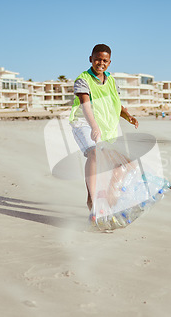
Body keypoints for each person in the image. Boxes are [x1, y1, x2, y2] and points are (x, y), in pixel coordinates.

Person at [69, 44, 139, 211]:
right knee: (94, 152)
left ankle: (111, 194)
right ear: (90, 59)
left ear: (109, 62)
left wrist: (127, 115)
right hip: (84, 123)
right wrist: (94, 126)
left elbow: (114, 103)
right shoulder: (83, 79)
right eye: (98, 59)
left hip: (105, 127)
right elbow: (86, 106)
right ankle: (91, 199)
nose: (101, 63)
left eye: (105, 60)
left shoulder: (111, 80)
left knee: (128, 164)